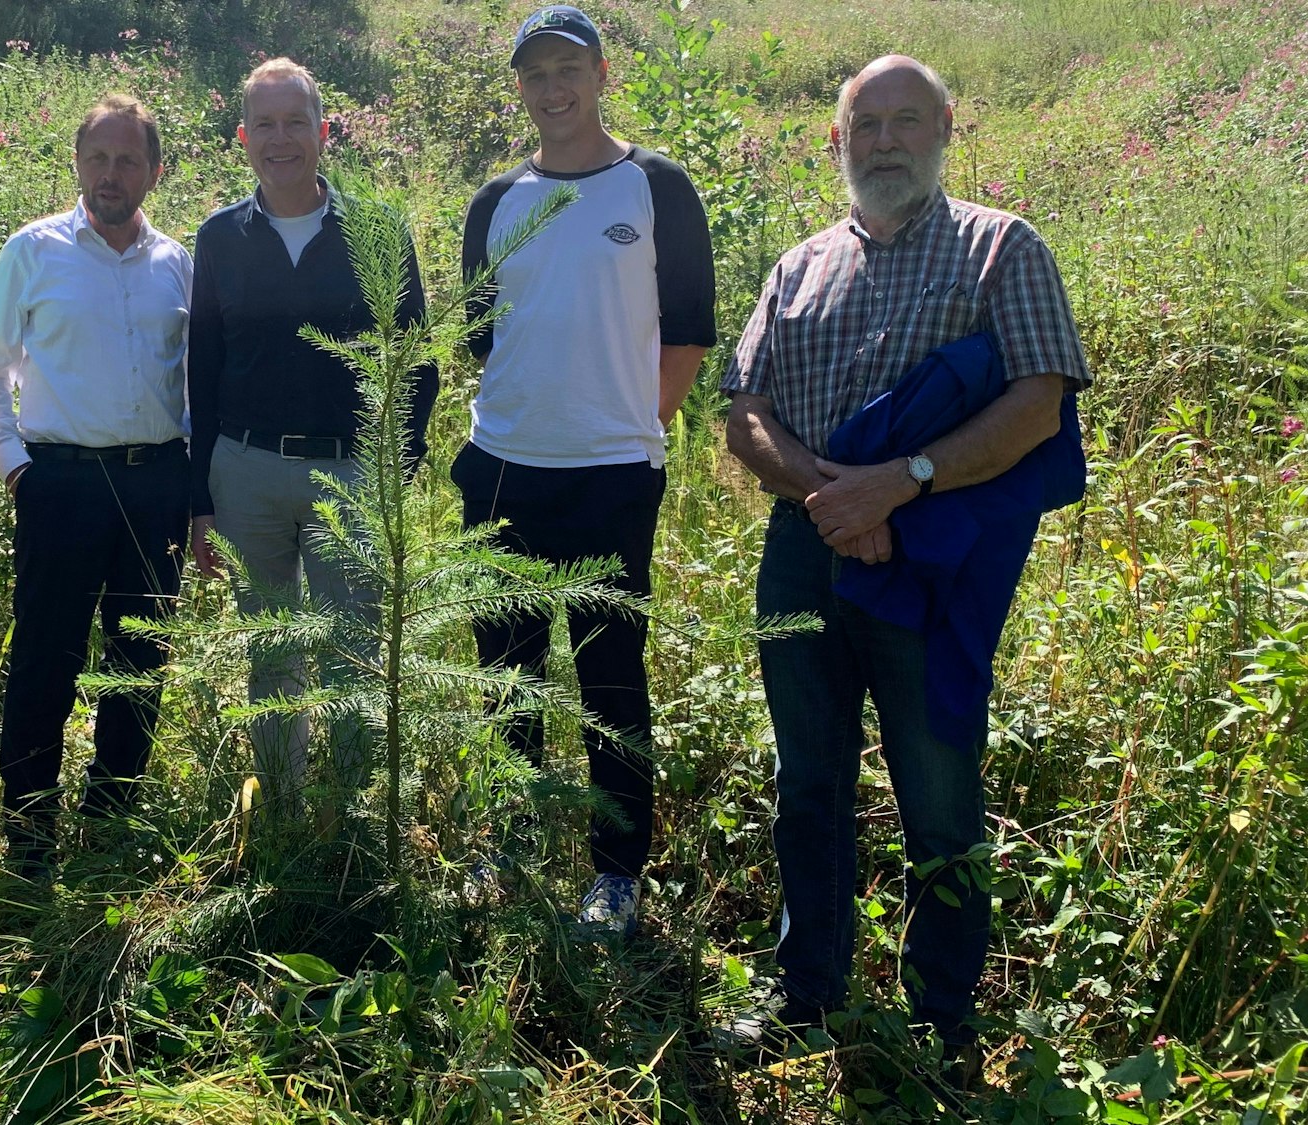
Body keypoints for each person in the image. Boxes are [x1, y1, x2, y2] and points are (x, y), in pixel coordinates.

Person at [718, 55, 1090, 1061]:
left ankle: (941, 1023)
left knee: (936, 787)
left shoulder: (997, 250)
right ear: (834, 143)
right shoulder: (796, 266)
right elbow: (741, 411)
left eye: (904, 120)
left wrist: (901, 481)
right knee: (808, 780)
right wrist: (831, 498)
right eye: (863, 124)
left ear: (943, 129)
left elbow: (1035, 404)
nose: (882, 140)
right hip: (803, 554)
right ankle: (807, 997)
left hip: (930, 560)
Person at [455, 4, 716, 937]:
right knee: (508, 674)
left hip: (611, 476)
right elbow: (484, 337)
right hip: (500, 471)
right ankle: (510, 845)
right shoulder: (497, 202)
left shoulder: (655, 187)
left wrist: (626, 429)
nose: (552, 87)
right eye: (534, 73)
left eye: (569, 67)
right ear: (519, 87)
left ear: (602, 73)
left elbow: (686, 333)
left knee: (610, 680)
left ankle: (616, 872)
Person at [187, 58, 438, 816]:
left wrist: (401, 465)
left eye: (296, 121)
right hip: (247, 470)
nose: (281, 138)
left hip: (349, 476)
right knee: (271, 650)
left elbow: (416, 359)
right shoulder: (219, 237)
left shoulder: (375, 230)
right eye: (264, 123)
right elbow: (203, 370)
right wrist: (201, 495)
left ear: (325, 133)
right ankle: (282, 810)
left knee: (353, 650)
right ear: (242, 138)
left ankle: (353, 813)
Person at [0, 95, 193, 879]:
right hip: (58, 484)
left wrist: (192, 494)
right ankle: (29, 830)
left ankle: (113, 814)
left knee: (140, 658)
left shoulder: (179, 264)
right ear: (76, 164)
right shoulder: (32, 251)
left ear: (155, 173)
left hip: (154, 485)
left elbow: (192, 384)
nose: (111, 173)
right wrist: (16, 467)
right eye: (97, 156)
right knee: (44, 659)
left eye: (129, 159)